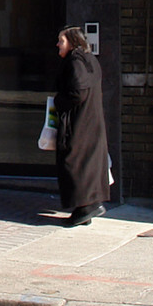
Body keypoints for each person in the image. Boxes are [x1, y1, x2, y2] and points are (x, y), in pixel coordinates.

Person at [52, 25, 109, 224]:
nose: (58, 44)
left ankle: (86, 206)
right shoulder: (89, 60)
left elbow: (78, 92)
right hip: (90, 122)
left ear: (73, 42)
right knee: (86, 163)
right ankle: (86, 206)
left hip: (79, 124)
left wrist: (59, 102)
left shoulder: (76, 62)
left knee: (74, 162)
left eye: (62, 40)